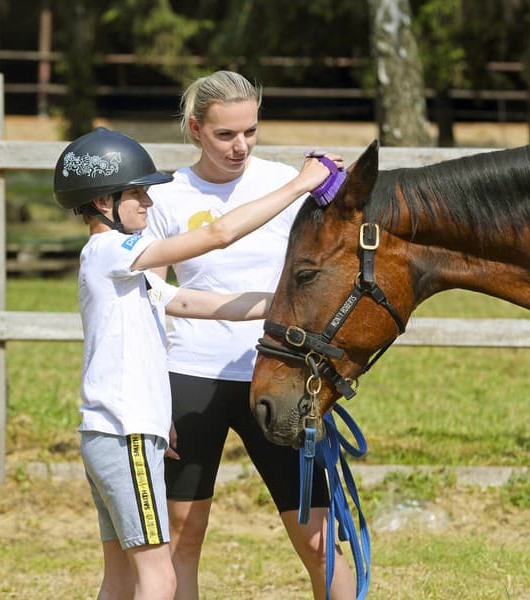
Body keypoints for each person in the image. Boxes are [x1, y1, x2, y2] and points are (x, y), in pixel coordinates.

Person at [52, 126, 342, 600]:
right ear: (105, 204)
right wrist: (298, 184)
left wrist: (292, 303)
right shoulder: (111, 252)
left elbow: (202, 305)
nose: (148, 202)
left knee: (122, 578)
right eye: (137, 193)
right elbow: (218, 234)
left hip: (117, 431)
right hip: (124, 432)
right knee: (159, 577)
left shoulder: (131, 275)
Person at [144, 71, 356, 599]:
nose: (240, 146)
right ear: (195, 129)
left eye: (250, 131)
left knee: (318, 538)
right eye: (225, 135)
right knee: (182, 538)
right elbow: (151, 297)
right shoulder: (165, 196)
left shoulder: (285, 182)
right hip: (191, 373)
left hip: (281, 373)